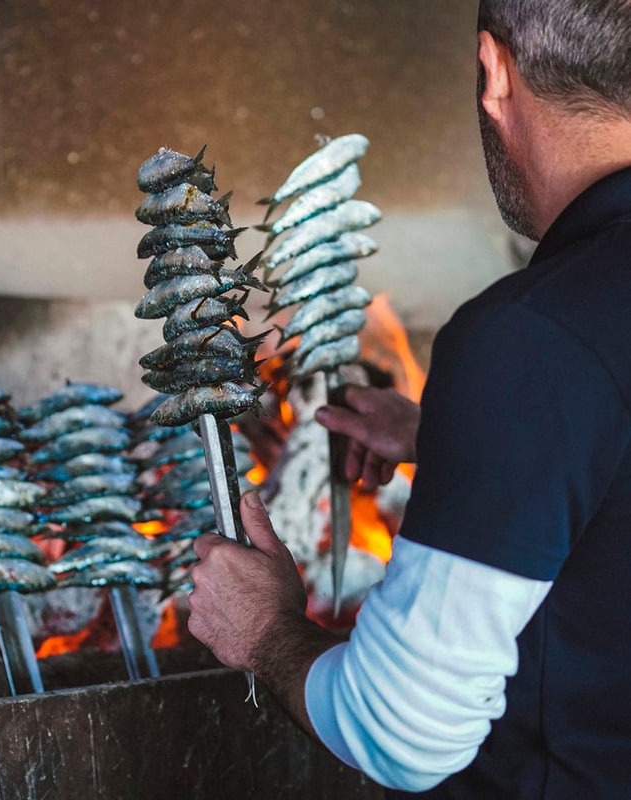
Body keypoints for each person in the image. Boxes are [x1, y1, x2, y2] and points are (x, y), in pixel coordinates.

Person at [187, 1, 631, 796]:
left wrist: (264, 630)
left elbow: (403, 728)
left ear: (494, 71)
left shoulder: (535, 338)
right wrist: (472, 444)